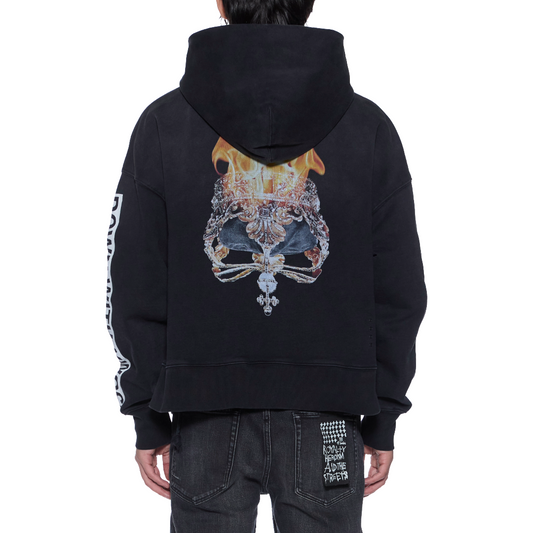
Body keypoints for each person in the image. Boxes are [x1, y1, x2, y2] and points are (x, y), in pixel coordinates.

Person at [105, 0, 427, 531]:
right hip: (329, 418)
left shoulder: (163, 124)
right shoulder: (369, 128)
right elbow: (399, 287)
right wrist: (384, 413)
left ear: (221, 2)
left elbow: (134, 278)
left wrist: (145, 411)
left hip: (204, 420)